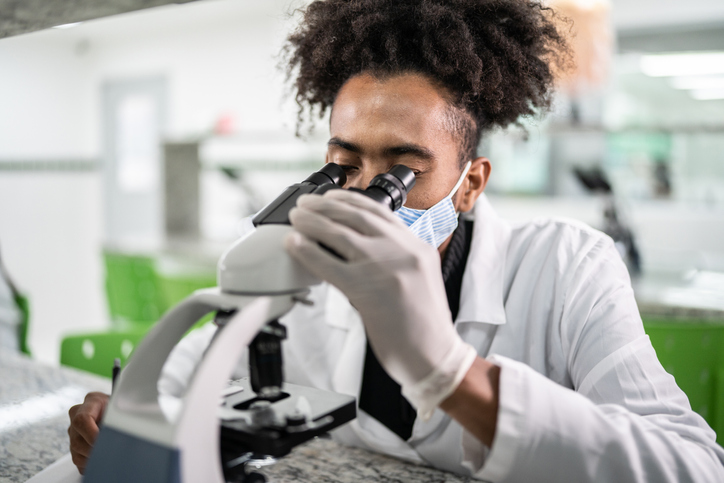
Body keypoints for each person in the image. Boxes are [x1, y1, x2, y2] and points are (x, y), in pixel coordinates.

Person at [69, 0, 724, 480]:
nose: (364, 194)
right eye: (343, 163)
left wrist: (448, 366)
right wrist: (121, 412)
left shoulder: (565, 266)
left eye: (403, 171)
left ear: (471, 184)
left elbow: (694, 466)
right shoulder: (306, 264)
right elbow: (193, 365)